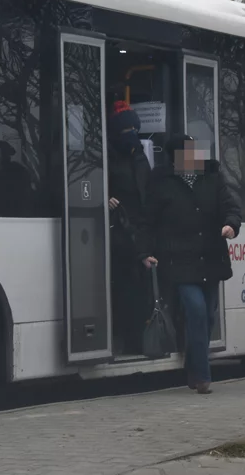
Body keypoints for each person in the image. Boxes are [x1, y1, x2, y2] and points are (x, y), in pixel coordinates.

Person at [140, 134, 241, 394]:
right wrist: (145, 252)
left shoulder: (212, 177)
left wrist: (231, 224)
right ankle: (203, 375)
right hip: (179, 260)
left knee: (207, 316)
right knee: (196, 311)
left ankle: (193, 369)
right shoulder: (161, 182)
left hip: (210, 257)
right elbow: (148, 220)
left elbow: (230, 206)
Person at [107, 106, 152, 353]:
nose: (132, 133)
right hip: (119, 232)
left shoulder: (140, 156)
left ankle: (140, 340)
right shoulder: (106, 158)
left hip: (141, 231)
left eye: (135, 129)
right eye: (126, 129)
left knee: (142, 290)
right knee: (125, 288)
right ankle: (128, 341)